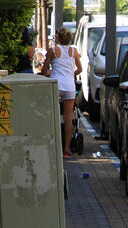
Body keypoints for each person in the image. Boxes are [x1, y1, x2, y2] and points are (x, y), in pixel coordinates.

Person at [41, 27, 82, 158]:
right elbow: (80, 69)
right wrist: (71, 74)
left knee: (51, 116)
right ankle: (66, 150)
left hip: (56, 85)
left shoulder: (52, 50)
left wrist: (49, 73)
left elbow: (44, 70)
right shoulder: (74, 51)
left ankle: (51, 146)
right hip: (70, 87)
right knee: (68, 119)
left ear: (57, 38)